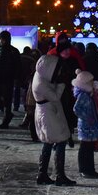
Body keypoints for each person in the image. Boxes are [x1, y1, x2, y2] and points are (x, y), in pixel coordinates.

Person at [32, 41, 75, 186]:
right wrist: (62, 84)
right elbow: (55, 96)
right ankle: (59, 175)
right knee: (60, 141)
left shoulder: (41, 76)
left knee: (48, 142)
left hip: (48, 112)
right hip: (48, 113)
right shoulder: (41, 84)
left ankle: (42, 174)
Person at [72, 70, 98, 178]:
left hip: (90, 125)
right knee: (85, 147)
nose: (92, 82)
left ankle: (90, 169)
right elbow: (76, 109)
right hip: (86, 126)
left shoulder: (89, 94)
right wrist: (87, 117)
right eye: (90, 81)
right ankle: (84, 169)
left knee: (89, 147)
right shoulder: (83, 95)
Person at [0, 30, 23, 128]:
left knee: (7, 100)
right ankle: (7, 114)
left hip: (8, 78)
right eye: (1, 39)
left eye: (3, 39)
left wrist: (16, 78)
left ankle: (6, 118)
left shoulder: (14, 51)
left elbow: (18, 66)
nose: (2, 41)